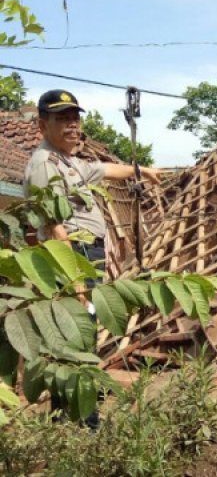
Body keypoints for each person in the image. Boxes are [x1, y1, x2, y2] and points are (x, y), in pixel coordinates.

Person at [23, 89, 161, 424]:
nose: (72, 125)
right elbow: (55, 228)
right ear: (43, 125)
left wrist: (143, 170)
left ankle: (69, 417)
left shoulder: (68, 161)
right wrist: (76, 282)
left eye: (75, 117)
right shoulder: (45, 165)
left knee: (78, 337)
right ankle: (84, 422)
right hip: (72, 258)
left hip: (87, 256)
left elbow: (104, 170)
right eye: (62, 119)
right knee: (75, 338)